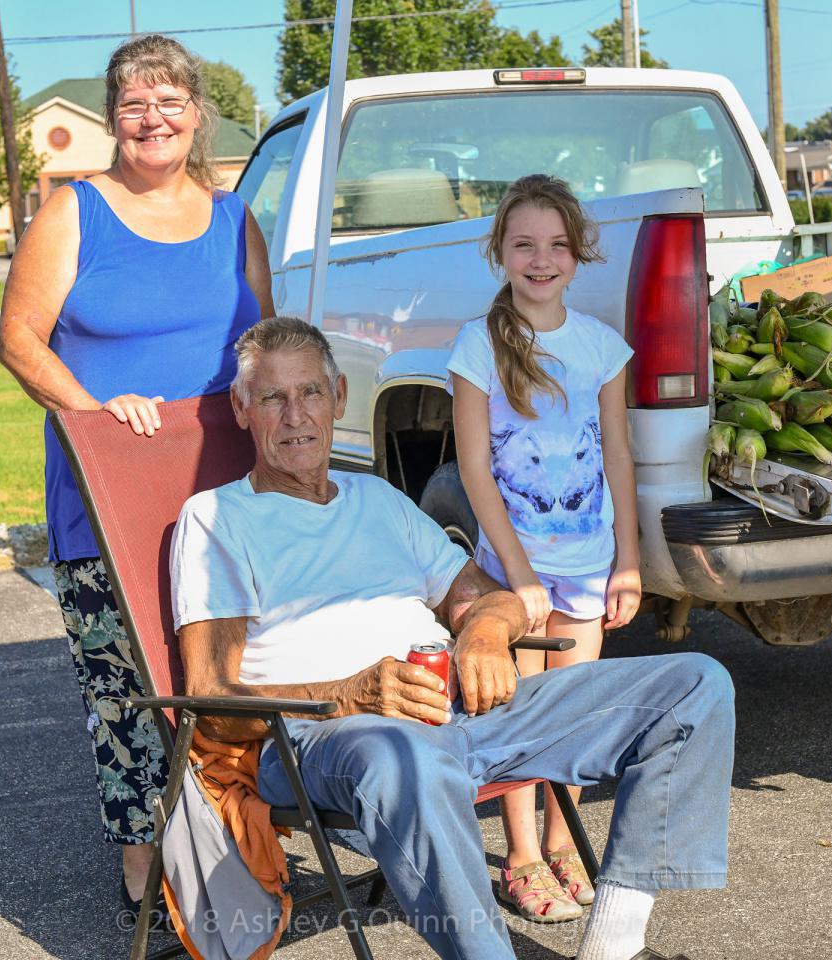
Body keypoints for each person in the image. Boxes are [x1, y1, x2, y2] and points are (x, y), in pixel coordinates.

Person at [170, 316, 734, 960]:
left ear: (339, 399)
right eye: (273, 398)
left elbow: (489, 597)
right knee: (404, 758)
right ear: (242, 408)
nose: (296, 416)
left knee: (694, 686)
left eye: (312, 393)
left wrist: (486, 639)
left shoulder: (378, 500)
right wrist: (350, 695)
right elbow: (211, 701)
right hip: (326, 739)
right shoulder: (217, 518)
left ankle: (613, 940)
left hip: (456, 713)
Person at [0, 33, 273, 914]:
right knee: (126, 683)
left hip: (224, 489)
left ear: (198, 112)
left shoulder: (235, 219)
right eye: (133, 105)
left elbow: (263, 349)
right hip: (109, 493)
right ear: (115, 120)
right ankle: (144, 861)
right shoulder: (75, 211)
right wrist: (95, 410)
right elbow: (18, 341)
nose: (152, 119)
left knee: (232, 673)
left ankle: (240, 839)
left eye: (169, 102)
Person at [446, 173, 640, 922]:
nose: (540, 259)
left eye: (556, 245)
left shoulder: (600, 348)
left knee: (575, 715)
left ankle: (565, 842)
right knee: (519, 715)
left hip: (590, 562)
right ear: (500, 252)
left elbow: (618, 456)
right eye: (523, 244)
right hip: (513, 567)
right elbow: (474, 469)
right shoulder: (477, 346)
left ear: (578, 254)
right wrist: (518, 578)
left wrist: (627, 559)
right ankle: (521, 853)